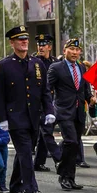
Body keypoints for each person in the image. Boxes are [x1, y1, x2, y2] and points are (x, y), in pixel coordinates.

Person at [0, 25, 54, 193]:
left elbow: (44, 90)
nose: (24, 42)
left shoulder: (37, 64)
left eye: (26, 39)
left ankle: (14, 188)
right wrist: (2, 118)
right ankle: (31, 189)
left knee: (25, 152)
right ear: (12, 43)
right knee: (26, 153)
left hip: (34, 117)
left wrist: (49, 110)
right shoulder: (5, 65)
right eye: (20, 39)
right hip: (15, 117)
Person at [47, 38, 94, 190]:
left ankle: (70, 177)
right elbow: (47, 89)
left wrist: (90, 97)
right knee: (71, 141)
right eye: (71, 50)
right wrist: (47, 107)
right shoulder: (56, 68)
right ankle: (63, 174)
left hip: (79, 110)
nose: (74, 53)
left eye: (77, 50)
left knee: (74, 144)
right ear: (64, 51)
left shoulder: (81, 67)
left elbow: (84, 87)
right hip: (64, 110)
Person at [32, 33, 61, 172]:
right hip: (37, 102)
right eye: (39, 45)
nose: (41, 47)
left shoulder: (55, 62)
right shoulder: (33, 61)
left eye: (43, 45)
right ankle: (59, 159)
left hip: (51, 101)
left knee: (44, 132)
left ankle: (38, 163)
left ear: (49, 46)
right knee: (47, 131)